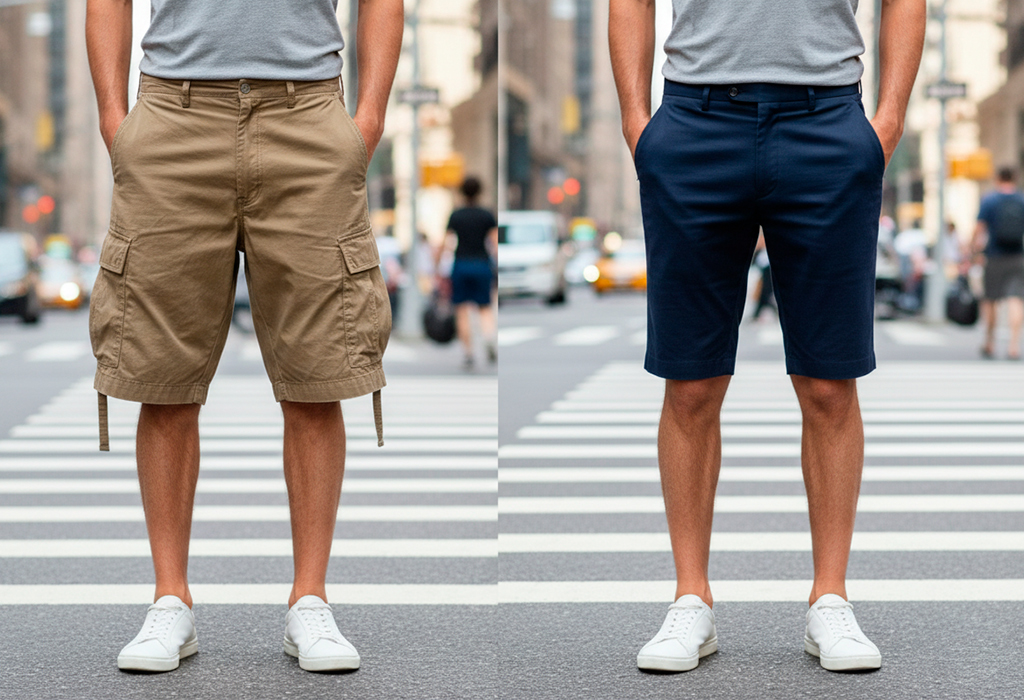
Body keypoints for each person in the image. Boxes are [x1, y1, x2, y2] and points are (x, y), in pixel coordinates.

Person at [85, 0, 402, 673]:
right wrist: (117, 123)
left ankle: (309, 600)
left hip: (308, 112)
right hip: (173, 111)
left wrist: (365, 123)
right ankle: (170, 600)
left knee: (320, 375)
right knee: (160, 376)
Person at [610, 0, 924, 673]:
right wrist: (640, 127)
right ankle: (690, 598)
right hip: (694, 120)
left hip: (828, 118)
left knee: (829, 383)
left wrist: (886, 124)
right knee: (690, 383)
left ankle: (830, 600)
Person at [443, 177, 498, 369]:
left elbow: (447, 243)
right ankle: (489, 338)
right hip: (482, 264)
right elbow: (494, 243)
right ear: (480, 192)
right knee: (485, 308)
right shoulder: (486, 215)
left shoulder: (456, 215)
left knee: (462, 310)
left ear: (462, 193)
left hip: (461, 264)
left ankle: (468, 353)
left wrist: (437, 266)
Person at [972, 168, 1024, 360]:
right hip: (1017, 256)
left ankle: (990, 342)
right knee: (1016, 299)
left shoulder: (990, 200)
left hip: (994, 256)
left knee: (991, 300)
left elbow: (979, 229)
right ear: (1015, 178)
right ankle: (1013, 346)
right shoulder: (1021, 200)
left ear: (998, 178)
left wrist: (974, 250)